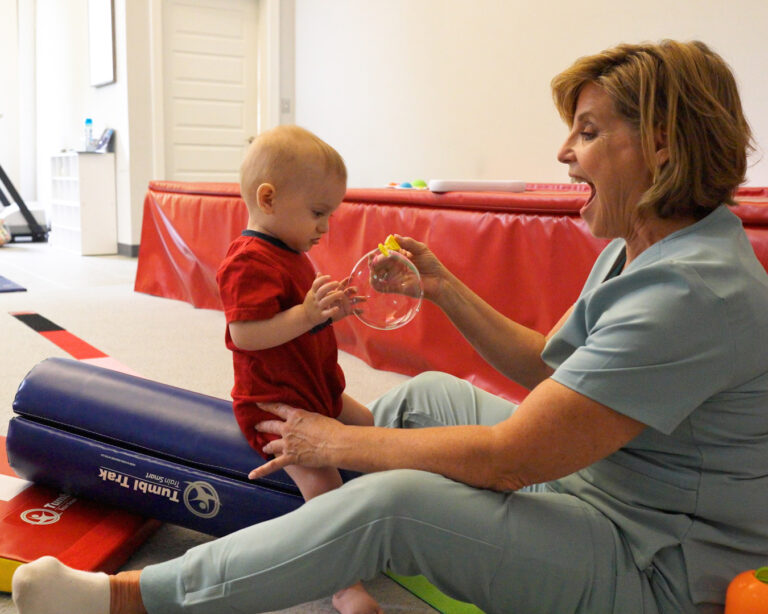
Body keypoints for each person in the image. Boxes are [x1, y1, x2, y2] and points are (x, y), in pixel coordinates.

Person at [12, 39, 768, 614]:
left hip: (652, 561)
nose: (565, 153)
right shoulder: (644, 245)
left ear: (661, 143)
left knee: (394, 504)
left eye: (589, 131)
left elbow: (512, 460)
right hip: (599, 479)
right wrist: (443, 290)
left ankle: (129, 599)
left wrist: (335, 444)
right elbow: (551, 366)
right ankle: (333, 534)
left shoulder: (692, 292)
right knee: (425, 398)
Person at [215, 125, 382, 614]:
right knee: (324, 488)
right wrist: (308, 315)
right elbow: (246, 334)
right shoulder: (247, 260)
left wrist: (326, 313)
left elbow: (297, 325)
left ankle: (388, 515)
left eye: (329, 214)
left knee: (374, 432)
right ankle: (344, 584)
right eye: (317, 212)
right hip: (276, 407)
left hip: (319, 391)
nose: (325, 226)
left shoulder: (292, 252)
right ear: (268, 199)